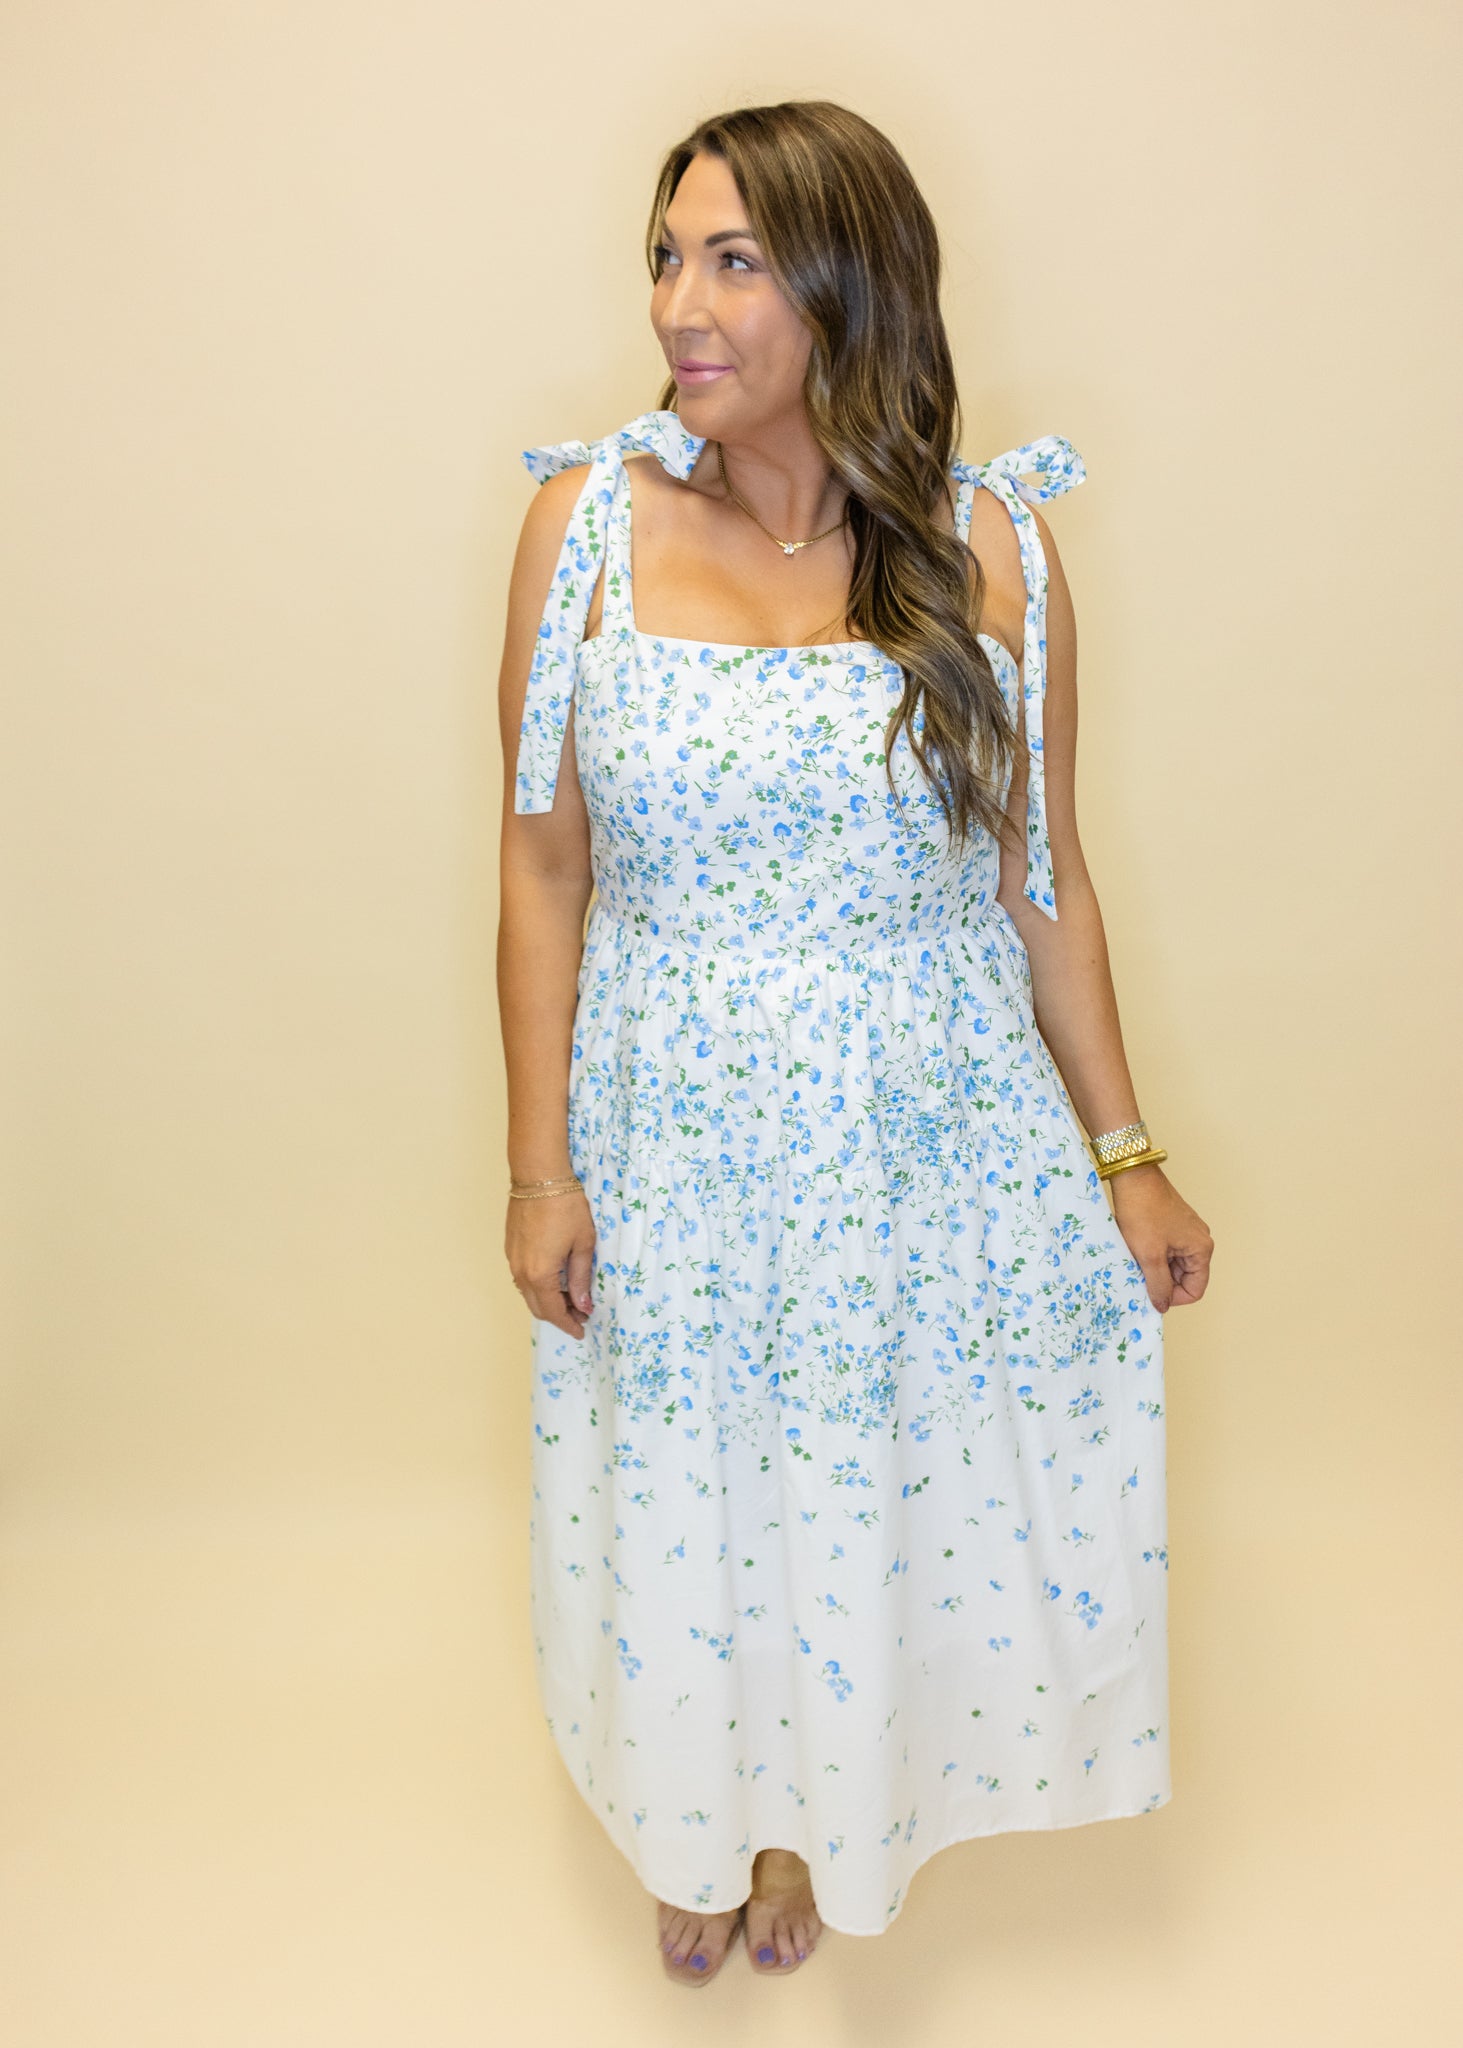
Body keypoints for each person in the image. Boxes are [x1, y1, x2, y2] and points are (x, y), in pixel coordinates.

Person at [495, 100, 1214, 1987]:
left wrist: (1130, 1158)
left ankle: (820, 1815)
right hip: (674, 1130)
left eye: (734, 261)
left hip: (920, 1135)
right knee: (694, 1494)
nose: (679, 305)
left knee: (864, 1486)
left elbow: (1046, 878)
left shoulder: (995, 549)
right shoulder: (584, 530)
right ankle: (704, 1819)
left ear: (851, 285)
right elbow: (543, 866)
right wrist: (540, 1171)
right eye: (667, 256)